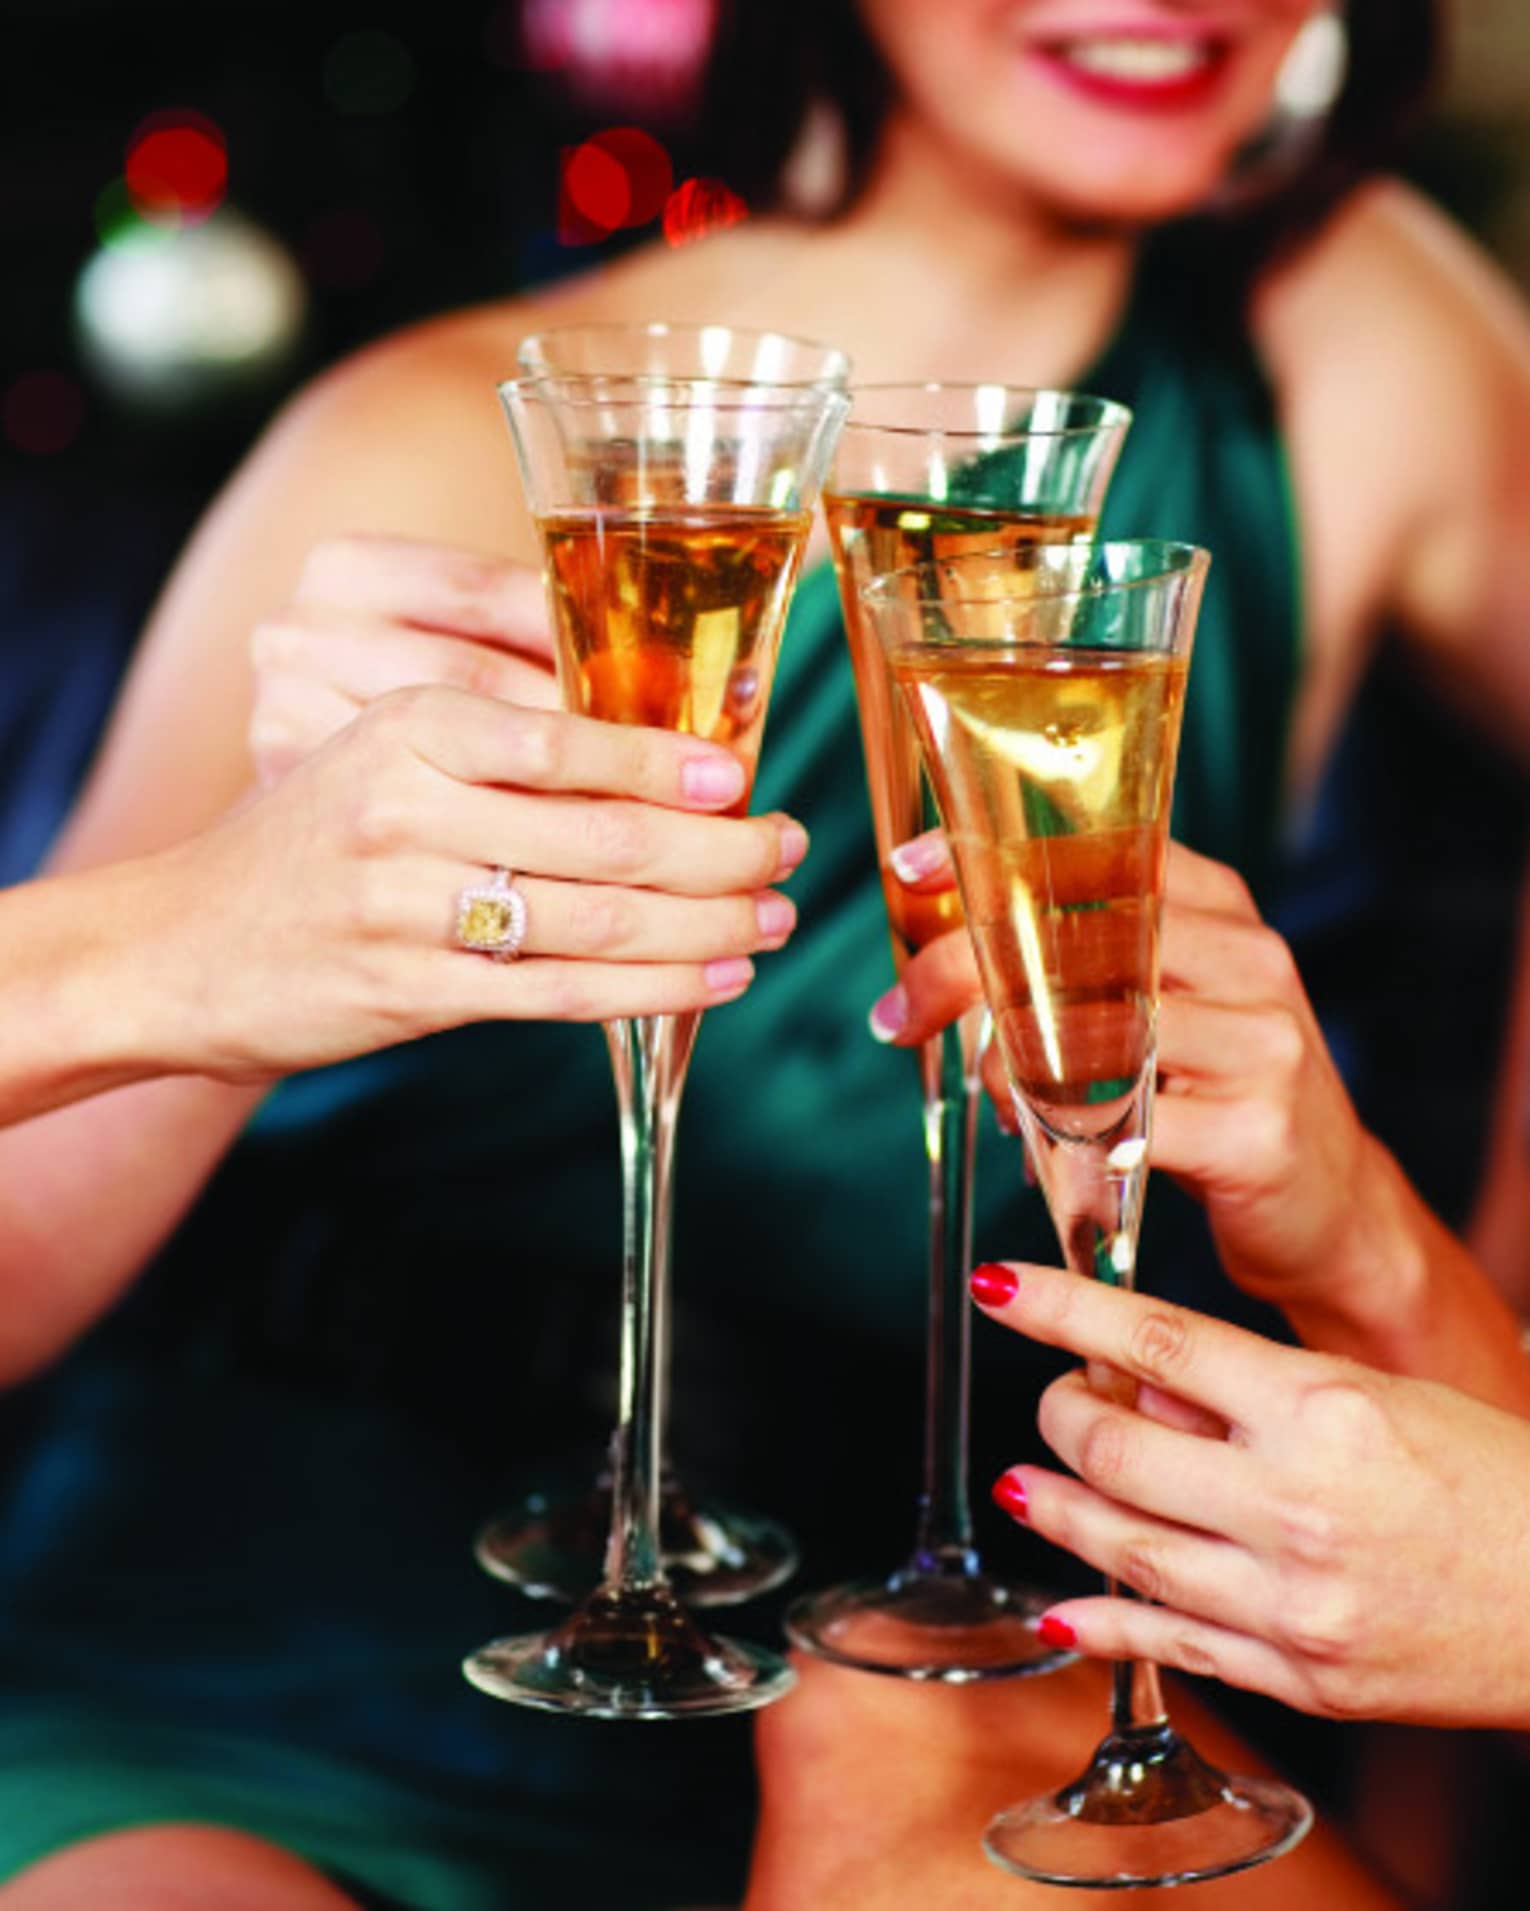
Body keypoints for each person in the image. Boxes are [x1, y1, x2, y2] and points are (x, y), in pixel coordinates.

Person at [1, 0, 1527, 1904]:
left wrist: (1456, 1290)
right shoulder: (434, 436)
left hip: (955, 1651)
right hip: (299, 1627)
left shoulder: (1345, 337)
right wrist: (225, 930)